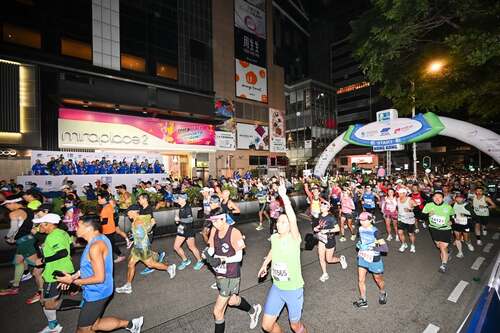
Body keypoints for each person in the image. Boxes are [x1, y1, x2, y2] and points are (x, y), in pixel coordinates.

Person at [56, 215, 144, 333]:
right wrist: (75, 275)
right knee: (95, 325)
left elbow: (99, 277)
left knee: (83, 330)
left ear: (89, 229)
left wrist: (72, 281)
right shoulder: (100, 238)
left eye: (78, 225)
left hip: (97, 293)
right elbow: (92, 265)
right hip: (101, 290)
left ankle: (132, 325)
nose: (75, 228)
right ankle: (132, 325)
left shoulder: (95, 246)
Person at [259, 178, 307, 333]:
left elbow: (292, 218)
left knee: (295, 326)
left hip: (293, 289)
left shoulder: (294, 238)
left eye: (284, 222)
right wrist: (264, 264)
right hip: (277, 287)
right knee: (266, 326)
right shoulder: (274, 237)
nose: (280, 224)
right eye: (279, 222)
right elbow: (273, 251)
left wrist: (284, 197)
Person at [202, 210, 262, 332]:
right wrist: (207, 254)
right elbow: (213, 248)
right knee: (232, 301)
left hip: (231, 274)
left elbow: (239, 256)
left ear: (223, 219)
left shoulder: (235, 233)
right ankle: (253, 310)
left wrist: (222, 260)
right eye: (212, 221)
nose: (214, 224)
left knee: (217, 311)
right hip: (219, 273)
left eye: (216, 221)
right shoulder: (214, 230)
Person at [115, 205, 175, 294]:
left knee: (150, 265)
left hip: (142, 248)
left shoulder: (138, 222)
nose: (128, 215)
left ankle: (169, 268)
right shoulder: (138, 219)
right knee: (131, 264)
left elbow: (142, 234)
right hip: (137, 247)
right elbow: (144, 230)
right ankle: (128, 286)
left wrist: (150, 225)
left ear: (133, 212)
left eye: (128, 213)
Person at [33, 213, 74, 333]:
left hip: (55, 273)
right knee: (45, 300)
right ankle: (52, 325)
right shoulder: (62, 232)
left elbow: (62, 253)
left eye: (41, 224)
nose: (39, 226)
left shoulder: (53, 236)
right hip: (61, 270)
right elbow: (71, 247)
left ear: (49, 224)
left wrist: (43, 260)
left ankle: (83, 304)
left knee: (49, 304)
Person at [0, 198, 44, 300]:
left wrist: (9, 238)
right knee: (19, 261)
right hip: (28, 239)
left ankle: (42, 291)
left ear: (14, 203)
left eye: (7, 205)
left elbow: (13, 230)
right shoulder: (29, 210)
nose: (7, 207)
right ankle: (15, 287)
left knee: (37, 266)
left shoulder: (14, 213)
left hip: (24, 242)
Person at [353, 212, 388, 308]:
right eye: (360, 220)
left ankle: (383, 292)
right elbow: (362, 240)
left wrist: (370, 248)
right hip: (363, 256)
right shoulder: (360, 228)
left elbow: (385, 248)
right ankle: (363, 300)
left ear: (370, 220)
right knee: (360, 279)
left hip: (374, 258)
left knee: (378, 279)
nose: (362, 222)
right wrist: (359, 244)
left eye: (364, 220)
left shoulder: (375, 231)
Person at [422, 190, 455, 273]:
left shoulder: (448, 207)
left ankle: (443, 265)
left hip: (445, 229)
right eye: (435, 197)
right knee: (438, 246)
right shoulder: (428, 205)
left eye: (439, 197)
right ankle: (448, 252)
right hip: (433, 228)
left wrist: (452, 221)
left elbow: (453, 216)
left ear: (443, 198)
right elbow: (422, 216)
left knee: (442, 246)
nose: (437, 199)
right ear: (432, 198)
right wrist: (427, 215)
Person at [315, 201, 347, 282]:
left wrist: (327, 231)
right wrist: (317, 227)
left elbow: (337, 229)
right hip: (322, 239)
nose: (321, 207)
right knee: (321, 257)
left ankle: (340, 259)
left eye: (324, 206)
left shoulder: (331, 217)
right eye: (321, 206)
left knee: (329, 259)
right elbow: (322, 224)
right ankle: (325, 274)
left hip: (330, 239)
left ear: (328, 208)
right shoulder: (320, 215)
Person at [173, 194, 204, 270]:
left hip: (189, 230)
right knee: (176, 247)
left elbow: (190, 220)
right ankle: (185, 260)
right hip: (182, 230)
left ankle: (200, 261)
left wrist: (179, 220)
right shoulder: (181, 207)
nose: (178, 200)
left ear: (183, 199)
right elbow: (183, 219)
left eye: (179, 198)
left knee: (192, 247)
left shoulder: (187, 207)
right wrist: (178, 221)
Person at [97, 192, 128, 263]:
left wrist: (96, 224)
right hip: (111, 228)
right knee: (110, 244)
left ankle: (119, 256)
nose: (98, 200)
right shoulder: (109, 206)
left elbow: (104, 222)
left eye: (99, 199)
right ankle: (118, 256)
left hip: (107, 230)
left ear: (104, 199)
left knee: (110, 245)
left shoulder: (105, 209)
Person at [452, 193, 475, 258]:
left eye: (461, 198)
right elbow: (450, 212)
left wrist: (465, 215)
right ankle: (460, 252)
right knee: (457, 238)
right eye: (457, 197)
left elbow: (474, 215)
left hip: (465, 224)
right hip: (456, 223)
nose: (459, 199)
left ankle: (468, 243)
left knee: (466, 238)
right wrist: (452, 217)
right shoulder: (453, 204)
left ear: (464, 199)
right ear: (455, 198)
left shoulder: (467, 206)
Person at [396, 188, 417, 253]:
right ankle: (403, 244)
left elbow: (417, 209)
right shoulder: (398, 199)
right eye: (398, 193)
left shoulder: (410, 200)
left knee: (411, 234)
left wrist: (410, 210)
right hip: (401, 219)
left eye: (400, 193)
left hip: (409, 220)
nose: (399, 194)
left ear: (405, 193)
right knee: (400, 232)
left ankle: (413, 245)